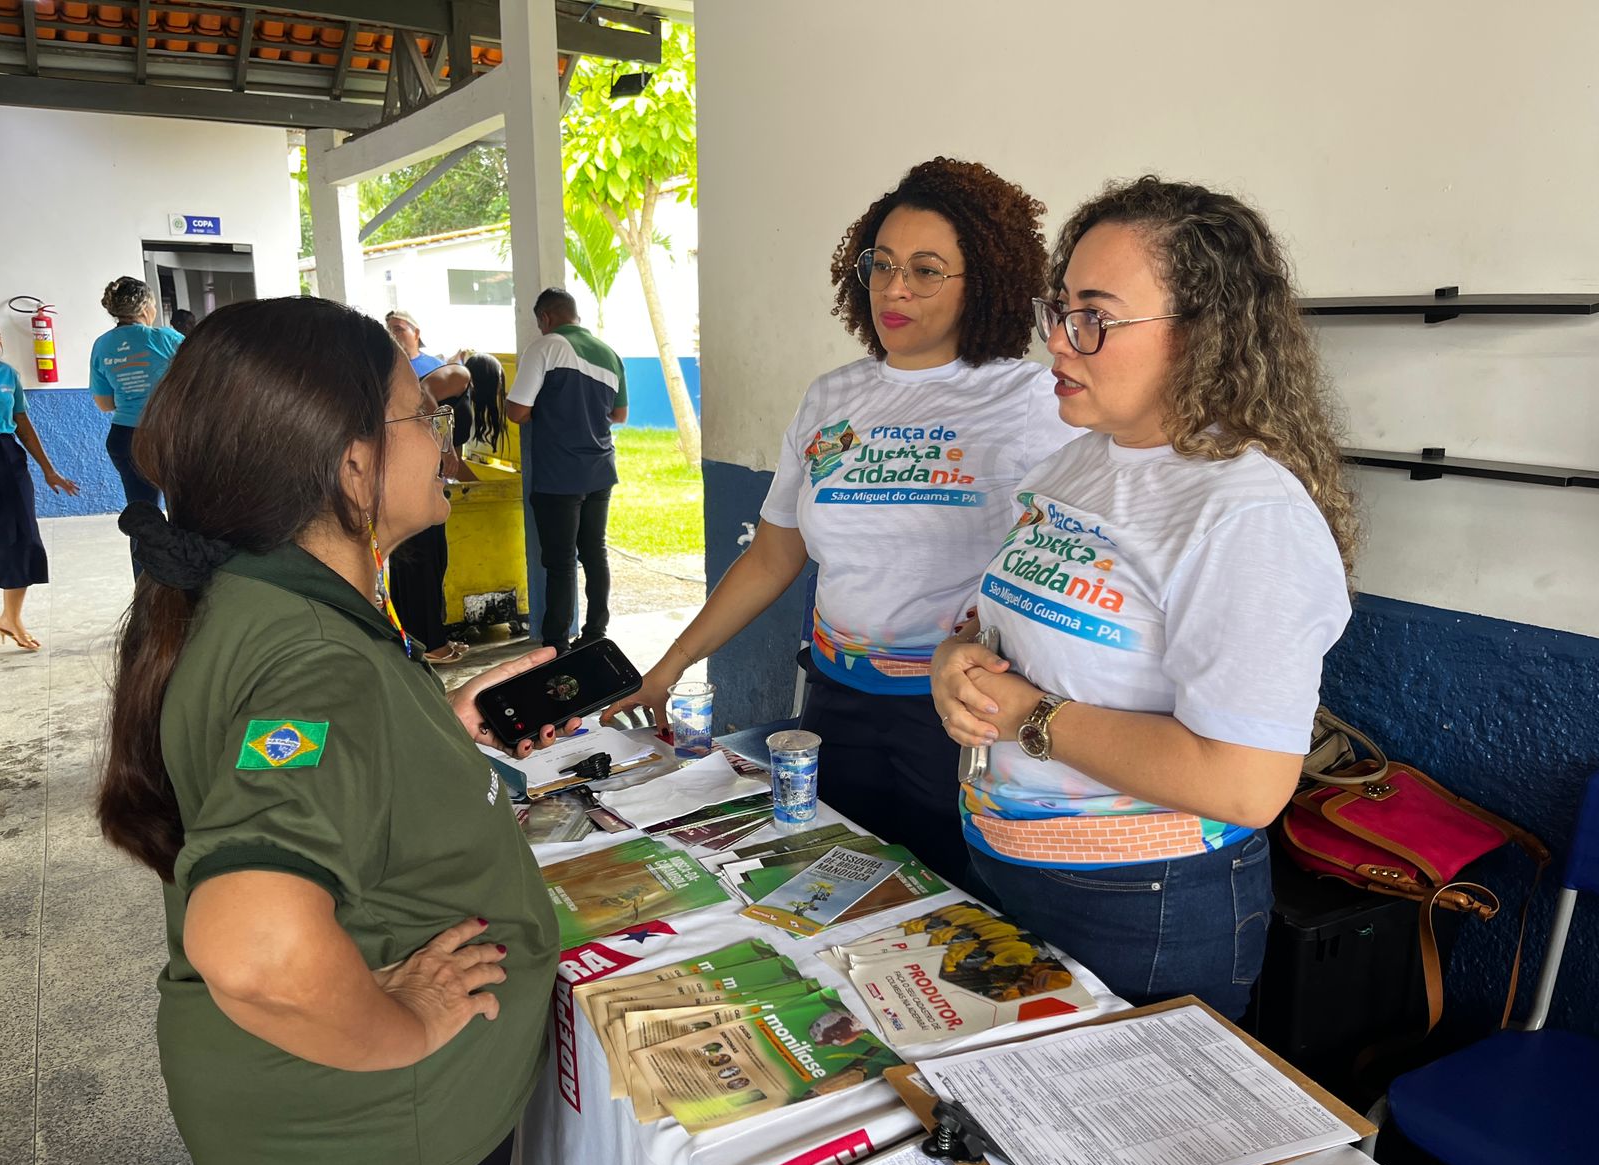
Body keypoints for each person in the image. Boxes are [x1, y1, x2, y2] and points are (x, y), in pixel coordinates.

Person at [95, 296, 575, 1165]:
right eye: (426, 418)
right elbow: (254, 943)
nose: (444, 440)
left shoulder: (255, 598)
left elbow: (309, 751)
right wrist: (411, 1025)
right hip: (379, 1141)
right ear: (354, 464)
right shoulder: (319, 669)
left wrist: (436, 726)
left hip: (308, 1130)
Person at [931, 176, 1358, 1021]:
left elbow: (1245, 784)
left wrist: (1028, 716)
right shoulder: (1079, 462)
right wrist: (958, 658)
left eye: (1094, 316)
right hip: (1008, 861)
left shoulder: (1245, 513)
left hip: (1142, 903)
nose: (1058, 342)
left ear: (1202, 336)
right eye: (1057, 309)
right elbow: (1002, 619)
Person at [604, 158, 1080, 886]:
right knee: (838, 887)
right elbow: (772, 556)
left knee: (949, 906)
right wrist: (668, 667)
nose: (894, 288)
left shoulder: (1029, 400)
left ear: (980, 282)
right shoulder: (832, 400)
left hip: (955, 721)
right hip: (837, 704)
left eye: (926, 270)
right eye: (881, 264)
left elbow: (1065, 560)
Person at [507, 288, 628, 653]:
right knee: (595, 552)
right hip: (600, 469)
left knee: (560, 562)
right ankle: (595, 632)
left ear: (544, 318)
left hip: (559, 475)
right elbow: (619, 416)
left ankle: (556, 642)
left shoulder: (544, 348)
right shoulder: (610, 354)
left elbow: (517, 412)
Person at [389, 353, 509, 664]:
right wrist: (440, 445)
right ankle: (430, 644)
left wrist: (484, 483)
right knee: (423, 560)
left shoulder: (459, 405)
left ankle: (418, 638)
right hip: (414, 476)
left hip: (430, 481)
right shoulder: (459, 373)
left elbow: (454, 462)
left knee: (429, 559)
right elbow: (422, 394)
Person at [91, 276, 184, 574]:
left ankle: (147, 593)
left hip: (124, 438)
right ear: (145, 306)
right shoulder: (167, 339)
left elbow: (105, 404)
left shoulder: (102, 344)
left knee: (141, 517)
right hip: (165, 436)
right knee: (183, 514)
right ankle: (185, 587)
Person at [0, 330, 78, 650]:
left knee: (22, 537)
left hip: (6, 458)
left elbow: (22, 423)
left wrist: (49, 470)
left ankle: (10, 617)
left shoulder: (9, 375)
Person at [387, 309, 445, 378]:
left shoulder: (438, 367)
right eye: (389, 330)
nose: (392, 335)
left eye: (398, 329)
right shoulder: (386, 368)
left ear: (416, 333)